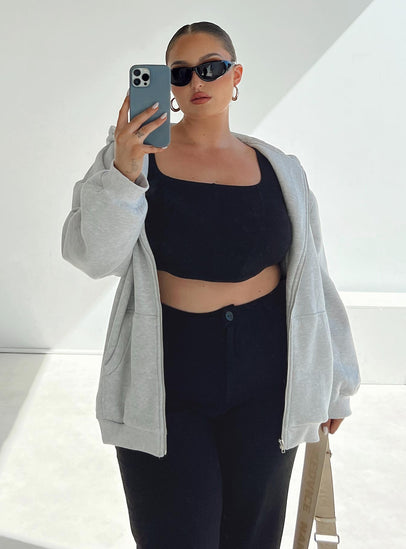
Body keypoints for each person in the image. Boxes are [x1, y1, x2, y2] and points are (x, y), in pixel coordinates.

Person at [61, 21, 361, 549]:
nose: (196, 81)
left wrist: (336, 382)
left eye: (211, 67)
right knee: (174, 534)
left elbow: (313, 276)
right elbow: (93, 256)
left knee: (253, 535)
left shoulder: (281, 169)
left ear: (235, 76)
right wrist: (125, 171)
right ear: (167, 86)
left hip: (269, 377)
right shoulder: (132, 160)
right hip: (168, 376)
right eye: (180, 73)